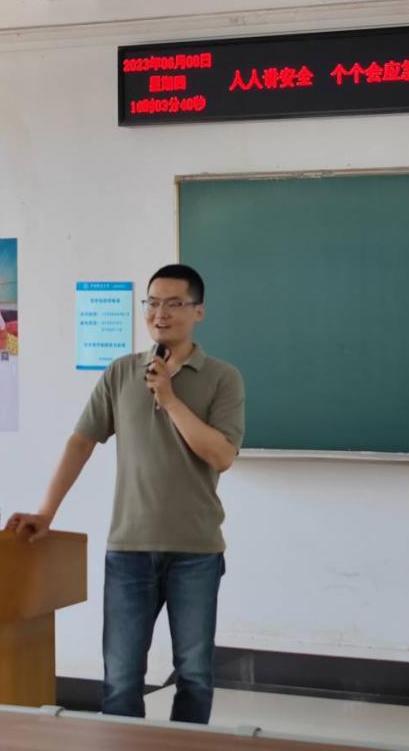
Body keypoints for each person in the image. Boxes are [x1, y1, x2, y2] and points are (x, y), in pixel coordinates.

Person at [5, 264, 244, 724]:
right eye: (152, 303)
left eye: (173, 304)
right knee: (120, 679)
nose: (160, 313)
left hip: (196, 550)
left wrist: (169, 398)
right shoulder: (121, 372)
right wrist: (46, 512)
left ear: (198, 311)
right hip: (129, 550)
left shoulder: (222, 378)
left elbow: (221, 455)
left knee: (194, 676)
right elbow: (81, 442)